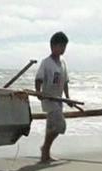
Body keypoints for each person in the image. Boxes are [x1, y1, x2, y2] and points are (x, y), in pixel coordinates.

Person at [35, 31, 73, 163]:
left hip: (59, 100)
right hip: (49, 99)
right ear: (52, 46)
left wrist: (68, 98)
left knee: (51, 127)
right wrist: (38, 92)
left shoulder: (63, 63)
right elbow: (38, 79)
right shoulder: (46, 63)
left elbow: (65, 82)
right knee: (60, 126)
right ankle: (45, 148)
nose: (63, 49)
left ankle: (45, 153)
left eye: (64, 47)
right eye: (61, 46)